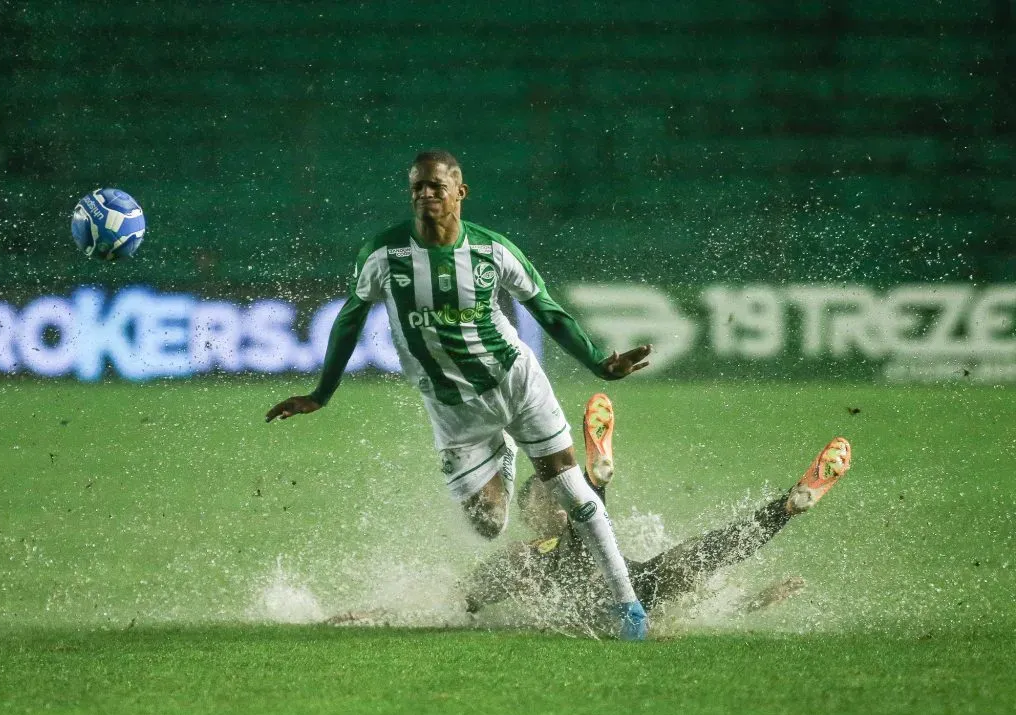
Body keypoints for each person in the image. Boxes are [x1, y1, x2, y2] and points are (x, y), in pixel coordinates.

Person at [266, 150, 653, 639]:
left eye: (436, 186)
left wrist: (599, 360)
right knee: (489, 524)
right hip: (452, 409)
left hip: (515, 383)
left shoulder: (493, 251)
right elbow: (349, 319)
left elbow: (549, 311)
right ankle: (504, 452)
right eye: (418, 187)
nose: (426, 194)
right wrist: (322, 393)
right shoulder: (384, 254)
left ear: (459, 192)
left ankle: (629, 609)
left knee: (570, 489)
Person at [462, 393, 853, 634]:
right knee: (685, 558)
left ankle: (787, 507)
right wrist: (467, 605)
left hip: (623, 590)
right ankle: (786, 508)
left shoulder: (566, 546)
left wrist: (754, 601)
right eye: (545, 501)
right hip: (612, 593)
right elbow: (472, 595)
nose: (553, 506)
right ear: (529, 515)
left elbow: (698, 606)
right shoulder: (526, 554)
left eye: (556, 497)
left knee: (693, 558)